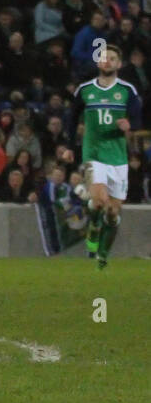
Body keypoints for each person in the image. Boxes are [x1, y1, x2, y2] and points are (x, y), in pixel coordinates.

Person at [71, 44, 141, 268]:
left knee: (112, 212)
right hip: (93, 153)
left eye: (112, 58)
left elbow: (138, 119)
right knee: (100, 200)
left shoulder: (127, 90)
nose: (107, 61)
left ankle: (102, 253)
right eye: (103, 57)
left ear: (118, 64)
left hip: (118, 157)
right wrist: (69, 145)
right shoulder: (85, 90)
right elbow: (71, 118)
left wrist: (129, 124)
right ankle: (93, 229)